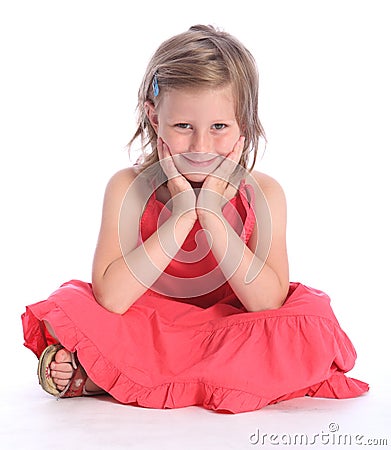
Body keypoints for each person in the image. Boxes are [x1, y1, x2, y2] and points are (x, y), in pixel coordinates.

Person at [22, 24, 368, 413]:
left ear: (245, 124)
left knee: (311, 323)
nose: (201, 147)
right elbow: (112, 299)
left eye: (219, 127)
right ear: (154, 117)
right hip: (148, 326)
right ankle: (175, 373)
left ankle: (103, 374)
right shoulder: (128, 187)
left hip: (231, 328)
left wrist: (213, 217)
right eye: (183, 127)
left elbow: (267, 303)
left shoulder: (266, 194)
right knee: (69, 305)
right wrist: (183, 215)